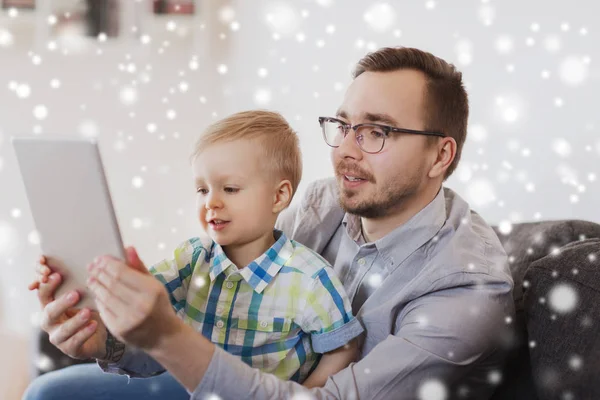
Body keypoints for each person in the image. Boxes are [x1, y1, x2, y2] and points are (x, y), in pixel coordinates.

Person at [25, 47, 515, 400]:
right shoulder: (325, 202)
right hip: (244, 383)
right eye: (343, 125)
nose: (344, 149)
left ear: (440, 154)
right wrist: (108, 340)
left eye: (375, 132)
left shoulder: (468, 290)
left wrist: (165, 336)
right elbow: (231, 333)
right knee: (51, 391)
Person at [25, 111, 364, 398]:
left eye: (229, 189)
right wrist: (89, 288)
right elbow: (146, 304)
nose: (210, 202)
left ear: (279, 197)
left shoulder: (309, 277)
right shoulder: (191, 258)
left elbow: (343, 347)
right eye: (202, 189)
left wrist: (309, 391)